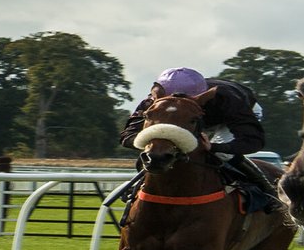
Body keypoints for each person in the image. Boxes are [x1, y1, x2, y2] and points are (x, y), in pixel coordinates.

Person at [118, 67, 278, 211]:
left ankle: (268, 190)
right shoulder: (153, 103)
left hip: (231, 115)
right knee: (157, 149)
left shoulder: (229, 101)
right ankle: (138, 185)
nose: (176, 106)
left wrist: (214, 147)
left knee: (222, 154)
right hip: (197, 118)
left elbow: (252, 140)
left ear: (202, 97)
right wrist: (148, 141)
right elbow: (127, 135)